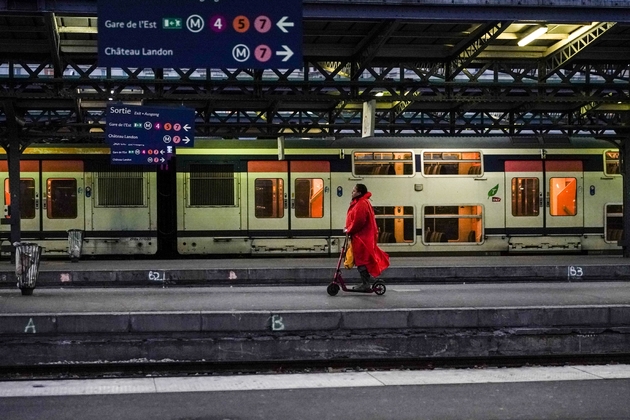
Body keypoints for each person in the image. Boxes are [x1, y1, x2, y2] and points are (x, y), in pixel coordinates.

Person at [344, 184, 390, 291]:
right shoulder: (362, 202)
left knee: (362, 260)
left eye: (354, 191)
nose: (352, 193)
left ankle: (366, 283)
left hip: (362, 238)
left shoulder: (361, 204)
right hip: (362, 237)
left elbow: (359, 221)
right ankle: (367, 281)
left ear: (359, 193)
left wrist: (349, 229)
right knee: (362, 260)